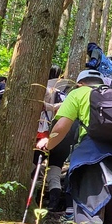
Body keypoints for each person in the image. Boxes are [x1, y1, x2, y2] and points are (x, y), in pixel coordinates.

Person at [36, 69, 112, 224]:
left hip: (91, 160)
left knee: (89, 216)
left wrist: (49, 143)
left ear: (80, 83)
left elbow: (62, 126)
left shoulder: (77, 94)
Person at [35, 66, 77, 211]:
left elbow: (39, 108)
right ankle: (53, 205)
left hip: (43, 133)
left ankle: (33, 200)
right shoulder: (66, 95)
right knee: (55, 169)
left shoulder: (43, 89)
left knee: (34, 166)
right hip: (64, 136)